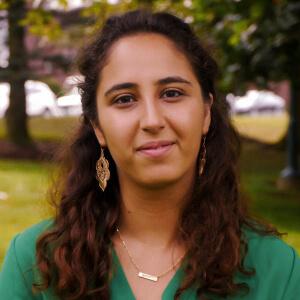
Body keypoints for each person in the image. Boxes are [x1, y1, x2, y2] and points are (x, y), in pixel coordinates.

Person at [0, 9, 299, 300]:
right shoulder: (34, 264)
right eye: (125, 99)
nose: (152, 120)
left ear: (206, 112)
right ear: (98, 127)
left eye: (172, 93)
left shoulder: (277, 269)